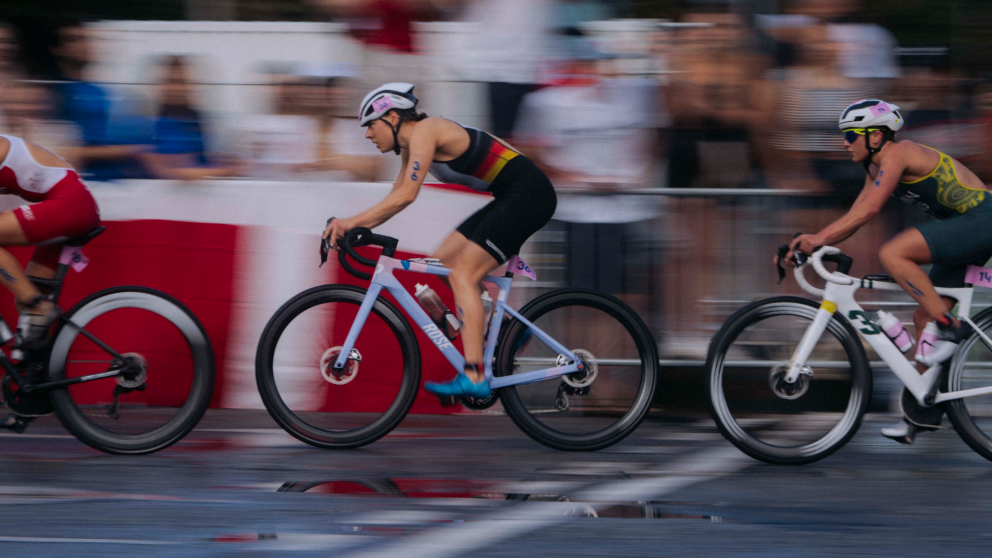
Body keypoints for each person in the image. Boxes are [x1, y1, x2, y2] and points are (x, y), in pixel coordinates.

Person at [322, 83, 557, 398]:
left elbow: (407, 195)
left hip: (529, 195)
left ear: (392, 118)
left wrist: (350, 221)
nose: (368, 135)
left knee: (463, 273)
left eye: (370, 125)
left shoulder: (426, 131)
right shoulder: (412, 146)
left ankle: (475, 377)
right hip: (511, 196)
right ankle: (499, 331)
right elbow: (396, 198)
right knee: (445, 259)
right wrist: (354, 226)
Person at [778, 99, 990, 444]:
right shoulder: (876, 168)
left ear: (875, 136)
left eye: (850, 136)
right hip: (969, 225)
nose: (844, 143)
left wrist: (819, 237)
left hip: (982, 220)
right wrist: (815, 242)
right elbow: (857, 214)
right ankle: (921, 412)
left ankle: (952, 329)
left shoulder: (898, 152)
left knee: (894, 253)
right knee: (924, 318)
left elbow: (871, 210)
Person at [0, 135, 100, 348]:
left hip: (70, 206)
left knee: (30, 301)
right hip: (75, 207)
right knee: (28, 311)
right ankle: (38, 374)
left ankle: (36, 305)